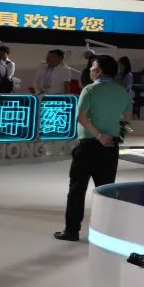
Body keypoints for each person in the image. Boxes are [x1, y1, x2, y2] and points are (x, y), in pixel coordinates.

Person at [55, 55, 132, 241]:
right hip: (110, 146)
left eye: (93, 67)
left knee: (77, 189)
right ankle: (106, 232)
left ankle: (72, 230)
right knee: (105, 191)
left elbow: (81, 118)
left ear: (99, 71)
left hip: (89, 145)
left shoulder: (89, 89)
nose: (90, 70)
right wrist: (112, 131)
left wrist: (99, 135)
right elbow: (128, 117)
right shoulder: (122, 91)